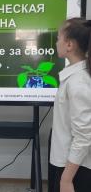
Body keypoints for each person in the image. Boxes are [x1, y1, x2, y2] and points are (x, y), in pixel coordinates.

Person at [49, 18, 91, 192]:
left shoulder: (78, 83)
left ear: (69, 45)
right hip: (66, 163)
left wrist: (66, 180)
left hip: (72, 170)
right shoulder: (73, 78)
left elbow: (84, 136)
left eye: (59, 38)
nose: (56, 42)